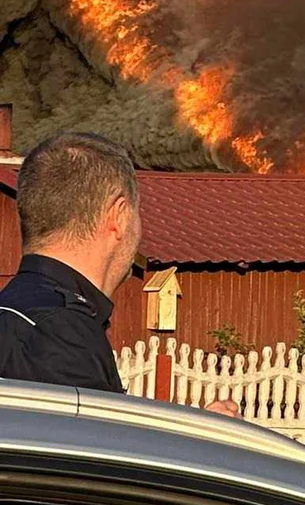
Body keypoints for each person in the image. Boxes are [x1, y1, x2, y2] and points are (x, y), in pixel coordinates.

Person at [0, 132, 237, 417]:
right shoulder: (58, 333)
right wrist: (205, 444)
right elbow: (95, 454)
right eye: (138, 214)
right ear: (119, 217)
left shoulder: (19, 312)